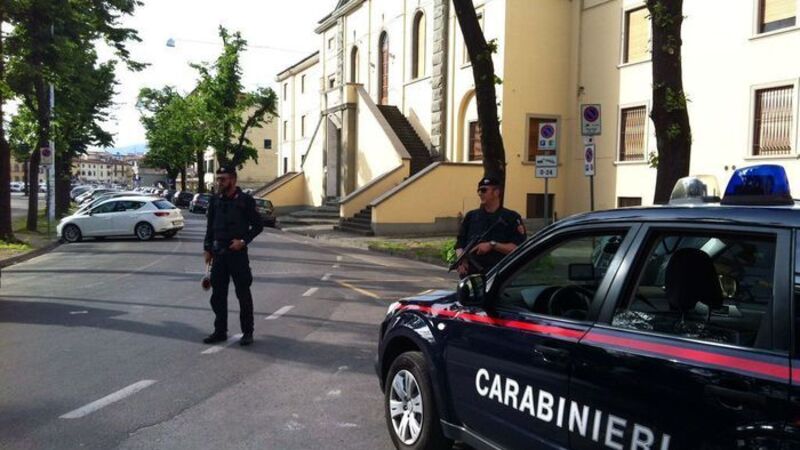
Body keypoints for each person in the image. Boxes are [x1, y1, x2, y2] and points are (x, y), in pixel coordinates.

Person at [202, 165, 264, 346]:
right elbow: (210, 228)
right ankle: (220, 331)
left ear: (233, 180)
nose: (219, 182)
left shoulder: (245, 201)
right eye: (218, 178)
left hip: (237, 255)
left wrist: (243, 241)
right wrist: (207, 248)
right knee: (217, 296)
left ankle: (247, 332)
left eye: (223, 179)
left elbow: (258, 226)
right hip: (219, 255)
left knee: (243, 294)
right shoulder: (215, 200)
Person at [455, 177, 527, 277]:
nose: (480, 193)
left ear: (496, 192)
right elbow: (460, 243)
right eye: (479, 190)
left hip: (499, 275)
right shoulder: (471, 216)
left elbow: (519, 248)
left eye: (484, 190)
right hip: (471, 275)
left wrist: (492, 245)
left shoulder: (511, 217)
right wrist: (461, 259)